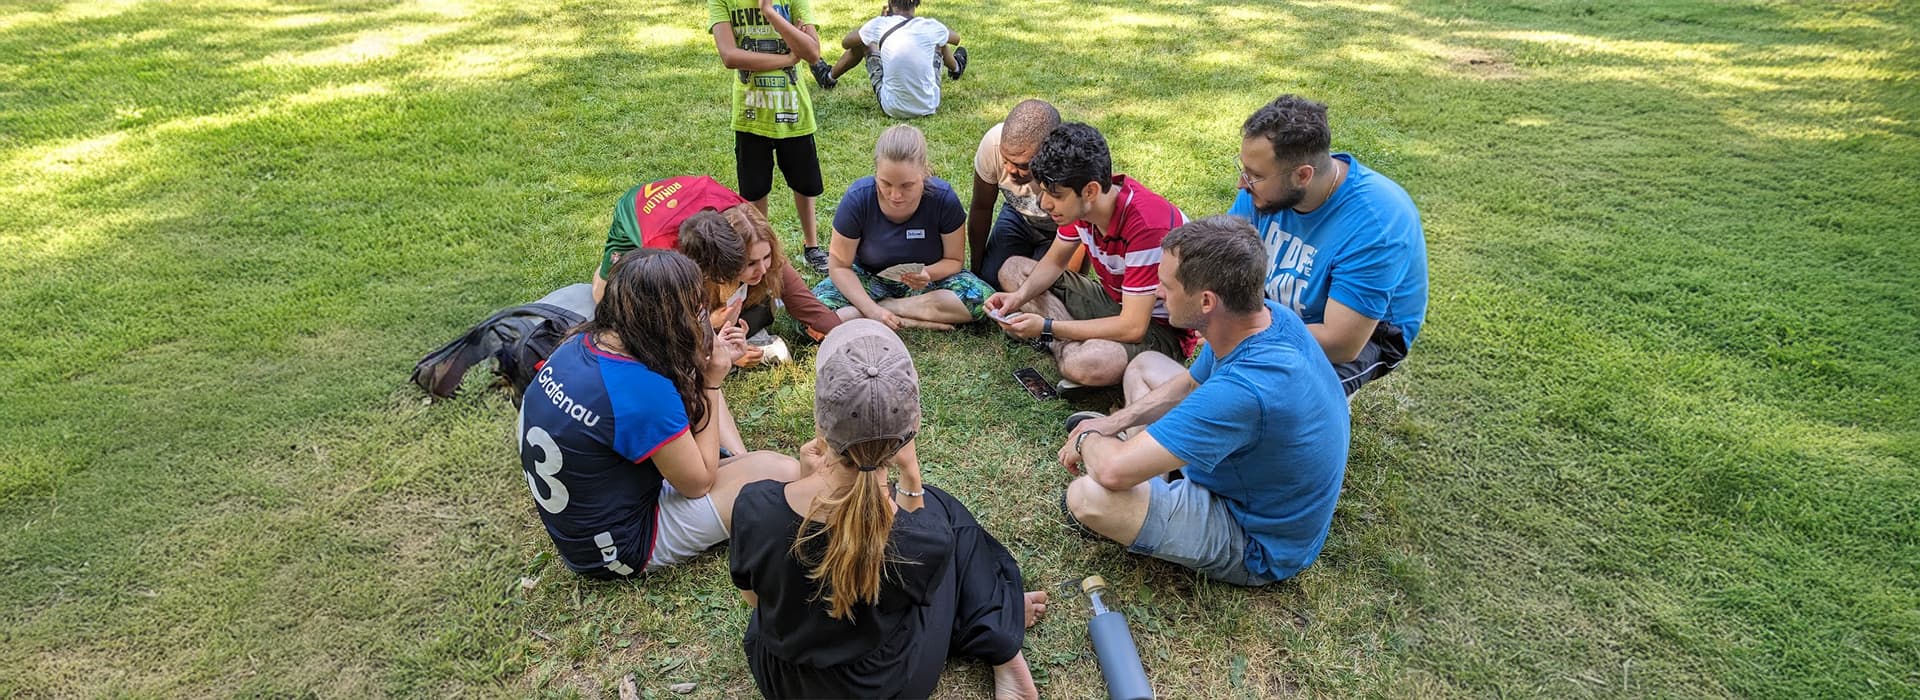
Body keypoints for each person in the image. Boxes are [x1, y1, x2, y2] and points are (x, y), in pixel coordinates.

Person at [729, 319, 1047, 699]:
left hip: (787, 685)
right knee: (947, 514)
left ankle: (998, 617)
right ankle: (1001, 633)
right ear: (911, 430)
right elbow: (913, 586)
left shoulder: (754, 505)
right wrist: (911, 477)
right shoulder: (922, 538)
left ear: (820, 422)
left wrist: (806, 478)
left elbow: (758, 602)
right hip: (888, 688)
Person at [1058, 216, 1350, 586]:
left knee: (1088, 496)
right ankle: (1147, 463)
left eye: (1166, 285)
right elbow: (1191, 383)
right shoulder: (1268, 319)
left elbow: (1112, 472)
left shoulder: (1245, 391)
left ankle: (1141, 465)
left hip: (1253, 539)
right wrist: (1110, 423)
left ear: (1206, 301)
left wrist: (1087, 438)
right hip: (1249, 473)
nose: (1157, 292)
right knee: (1144, 366)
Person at [520, 249, 805, 579]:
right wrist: (711, 383)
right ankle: (744, 482)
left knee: (711, 394)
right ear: (666, 318)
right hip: (622, 547)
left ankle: (741, 471)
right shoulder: (641, 388)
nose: (700, 317)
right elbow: (697, 484)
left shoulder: (580, 343)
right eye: (694, 309)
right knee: (781, 471)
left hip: (590, 522)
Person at [1230, 95, 1429, 395]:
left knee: (1282, 401)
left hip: (1367, 332)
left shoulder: (1375, 222)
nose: (1242, 184)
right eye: (1245, 169)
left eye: (1255, 176)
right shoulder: (1263, 190)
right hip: (1283, 307)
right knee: (1229, 383)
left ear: (1303, 176)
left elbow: (1341, 343)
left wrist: (1245, 332)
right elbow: (1226, 253)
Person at [985, 122, 1196, 387]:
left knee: (1087, 363)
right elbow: (1054, 262)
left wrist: (1047, 326)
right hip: (1116, 301)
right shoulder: (1082, 207)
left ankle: (1065, 349)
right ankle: (1067, 347)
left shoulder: (1148, 227)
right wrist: (1017, 298)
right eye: (1044, 191)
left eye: (1055, 195)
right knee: (1013, 269)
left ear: (1090, 191)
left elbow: (1133, 327)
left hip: (1160, 330)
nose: (1045, 204)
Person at [594, 176, 842, 363]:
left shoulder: (746, 221)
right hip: (639, 212)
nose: (763, 269)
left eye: (766, 257)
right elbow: (670, 327)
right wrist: (719, 348)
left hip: (695, 198)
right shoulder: (665, 252)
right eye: (751, 263)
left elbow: (801, 298)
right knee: (609, 304)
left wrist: (841, 333)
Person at [812, 124, 994, 331]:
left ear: (923, 172)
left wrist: (927, 273)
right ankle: (902, 317)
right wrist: (871, 309)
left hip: (925, 285)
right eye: (885, 183)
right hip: (868, 279)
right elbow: (839, 266)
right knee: (811, 317)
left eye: (907, 185)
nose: (895, 195)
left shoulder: (943, 199)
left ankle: (888, 309)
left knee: (984, 299)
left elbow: (954, 261)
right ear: (876, 172)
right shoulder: (858, 199)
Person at [708, 0, 831, 274]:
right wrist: (787, 59)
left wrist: (770, 13)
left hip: (794, 113)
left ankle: (812, 246)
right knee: (755, 189)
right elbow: (730, 56)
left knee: (805, 185)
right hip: (750, 116)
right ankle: (761, 248)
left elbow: (812, 53)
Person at [810, 0, 967, 119]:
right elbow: (956, 39)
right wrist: (935, 29)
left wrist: (878, 22)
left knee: (864, 43)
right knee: (939, 41)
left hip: (892, 107)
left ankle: (828, 77)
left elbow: (846, 43)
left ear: (891, 2)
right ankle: (956, 68)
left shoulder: (879, 24)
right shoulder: (930, 26)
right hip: (929, 105)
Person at [968, 99, 1061, 289]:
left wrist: (1069, 283)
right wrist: (976, 271)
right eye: (1005, 160)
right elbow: (981, 207)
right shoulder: (993, 144)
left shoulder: (1068, 162)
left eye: (1022, 165)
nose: (1010, 170)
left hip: (1060, 231)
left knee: (1046, 289)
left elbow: (1082, 232)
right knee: (990, 283)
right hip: (1018, 216)